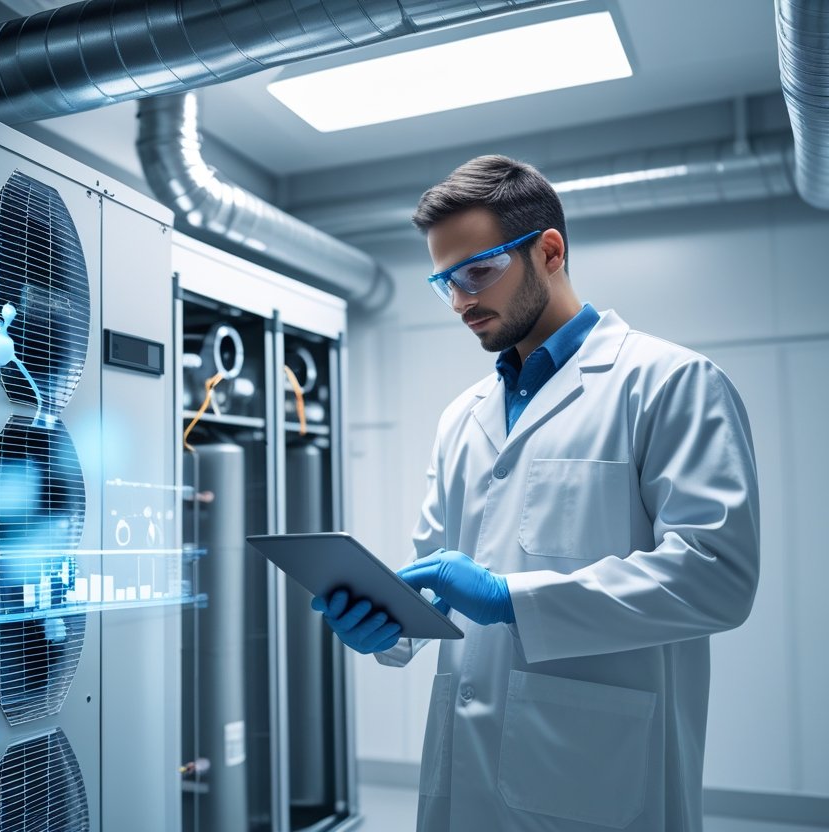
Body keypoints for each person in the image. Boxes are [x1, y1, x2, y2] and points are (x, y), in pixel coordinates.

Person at [313, 155, 760, 831]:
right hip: (466, 770)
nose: (461, 300)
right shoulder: (462, 415)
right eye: (445, 282)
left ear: (548, 250)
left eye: (477, 271)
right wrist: (388, 626)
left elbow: (716, 577)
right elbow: (434, 573)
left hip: (597, 769)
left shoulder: (670, 383)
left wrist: (509, 600)